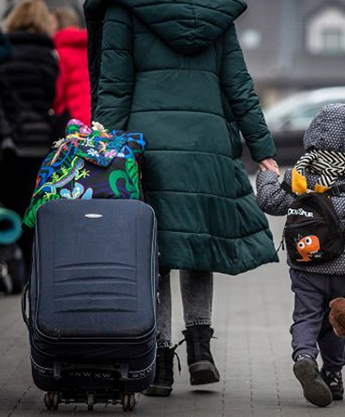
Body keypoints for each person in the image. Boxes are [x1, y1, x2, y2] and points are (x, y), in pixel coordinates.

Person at [84, 0, 280, 397]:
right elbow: (239, 85)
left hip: (148, 147)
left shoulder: (126, 11)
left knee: (154, 253)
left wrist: (100, 150)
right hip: (205, 149)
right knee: (196, 246)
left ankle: (158, 362)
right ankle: (200, 349)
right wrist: (263, 149)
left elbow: (115, 88)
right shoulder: (216, 15)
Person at [256, 104, 345, 407]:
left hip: (305, 265)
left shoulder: (299, 180)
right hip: (341, 272)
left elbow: (270, 202)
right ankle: (334, 376)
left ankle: (304, 357)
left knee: (306, 316)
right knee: (336, 320)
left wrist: (267, 176)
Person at [0, 0, 58, 271]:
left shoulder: (5, 50)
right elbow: (51, 96)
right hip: (37, 139)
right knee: (32, 205)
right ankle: (32, 269)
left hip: (9, 138)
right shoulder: (47, 54)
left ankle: (13, 263)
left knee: (9, 203)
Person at [51, 7, 90, 124]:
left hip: (74, 117)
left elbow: (59, 90)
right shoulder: (89, 47)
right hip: (95, 111)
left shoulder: (60, 52)